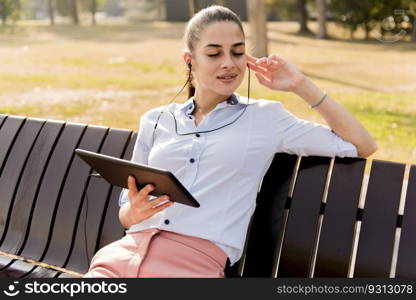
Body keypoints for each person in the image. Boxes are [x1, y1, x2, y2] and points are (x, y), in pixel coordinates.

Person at [83, 5, 377, 278]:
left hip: (193, 266)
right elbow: (126, 209)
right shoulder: (156, 119)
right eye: (214, 54)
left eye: (237, 53)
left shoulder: (266, 119)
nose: (229, 64)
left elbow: (362, 145)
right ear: (190, 60)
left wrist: (301, 85)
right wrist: (133, 211)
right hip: (120, 259)